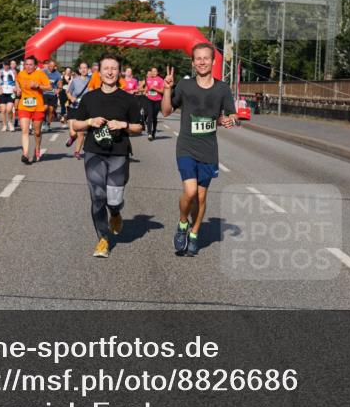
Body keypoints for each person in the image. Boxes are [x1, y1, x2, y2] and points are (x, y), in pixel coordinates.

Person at [161, 44, 236, 257]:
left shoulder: (222, 88)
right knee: (191, 192)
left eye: (206, 58)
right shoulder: (185, 86)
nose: (202, 62)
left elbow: (232, 114)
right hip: (186, 146)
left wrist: (229, 120)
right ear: (193, 63)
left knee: (201, 199)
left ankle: (194, 233)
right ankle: (183, 223)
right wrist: (167, 89)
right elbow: (165, 111)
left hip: (209, 150)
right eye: (198, 59)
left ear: (213, 62)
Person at [72, 53, 144, 257]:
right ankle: (103, 239)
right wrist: (89, 122)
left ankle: (115, 212)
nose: (110, 72)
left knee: (113, 200)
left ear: (119, 72)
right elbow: (75, 124)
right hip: (94, 152)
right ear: (99, 72)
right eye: (106, 68)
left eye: (114, 68)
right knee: (97, 197)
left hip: (118, 153)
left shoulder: (128, 99)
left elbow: (139, 127)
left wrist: (124, 125)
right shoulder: (89, 97)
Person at [15, 55, 51, 164]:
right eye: (26, 64)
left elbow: (49, 87)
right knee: (25, 130)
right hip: (24, 106)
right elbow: (17, 80)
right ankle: (25, 154)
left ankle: (37, 148)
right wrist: (17, 88)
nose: (28, 66)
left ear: (35, 66)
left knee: (37, 132)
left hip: (38, 107)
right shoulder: (21, 74)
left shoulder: (40, 74)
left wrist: (38, 85)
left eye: (31, 64)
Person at [64, 64, 92, 159]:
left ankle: (77, 152)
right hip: (74, 108)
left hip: (84, 109)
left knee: (80, 132)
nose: (84, 70)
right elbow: (68, 92)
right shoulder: (75, 81)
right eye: (82, 68)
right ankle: (72, 138)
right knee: (73, 133)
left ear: (88, 69)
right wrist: (71, 98)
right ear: (79, 70)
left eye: (85, 68)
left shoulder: (91, 80)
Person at [143, 66, 165, 141]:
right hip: (149, 99)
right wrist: (145, 91)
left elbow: (162, 91)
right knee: (150, 115)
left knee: (154, 117)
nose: (153, 73)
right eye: (152, 71)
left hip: (157, 100)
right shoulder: (148, 79)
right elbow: (147, 88)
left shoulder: (160, 80)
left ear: (157, 72)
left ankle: (154, 131)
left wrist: (154, 88)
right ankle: (149, 133)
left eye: (155, 71)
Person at [41, 59, 62, 132]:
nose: (51, 68)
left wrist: (58, 90)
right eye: (50, 66)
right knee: (45, 107)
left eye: (53, 66)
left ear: (55, 67)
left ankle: (48, 124)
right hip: (44, 93)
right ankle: (43, 122)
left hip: (52, 94)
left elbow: (60, 85)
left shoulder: (57, 74)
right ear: (48, 66)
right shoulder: (43, 72)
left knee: (51, 110)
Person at [0, 61, 18, 132]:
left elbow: (16, 81)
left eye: (7, 65)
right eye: (5, 65)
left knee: (9, 110)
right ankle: (4, 125)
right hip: (2, 93)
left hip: (11, 92)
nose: (6, 66)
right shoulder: (0, 72)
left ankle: (10, 122)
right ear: (3, 65)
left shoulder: (13, 71)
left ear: (9, 65)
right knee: (3, 110)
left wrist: (16, 88)